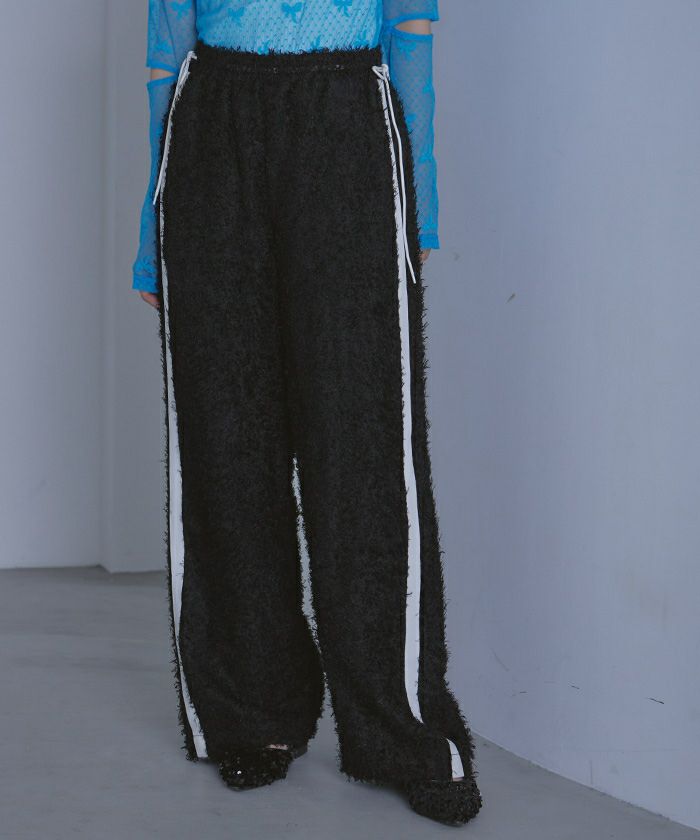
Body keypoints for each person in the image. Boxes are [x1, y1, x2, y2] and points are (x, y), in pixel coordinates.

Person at [132, 0, 482, 827]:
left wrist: (422, 199)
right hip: (211, 122)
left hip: (348, 116)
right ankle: (250, 710)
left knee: (365, 443)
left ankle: (401, 731)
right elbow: (165, 46)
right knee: (225, 437)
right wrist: (152, 227)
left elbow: (411, 29)